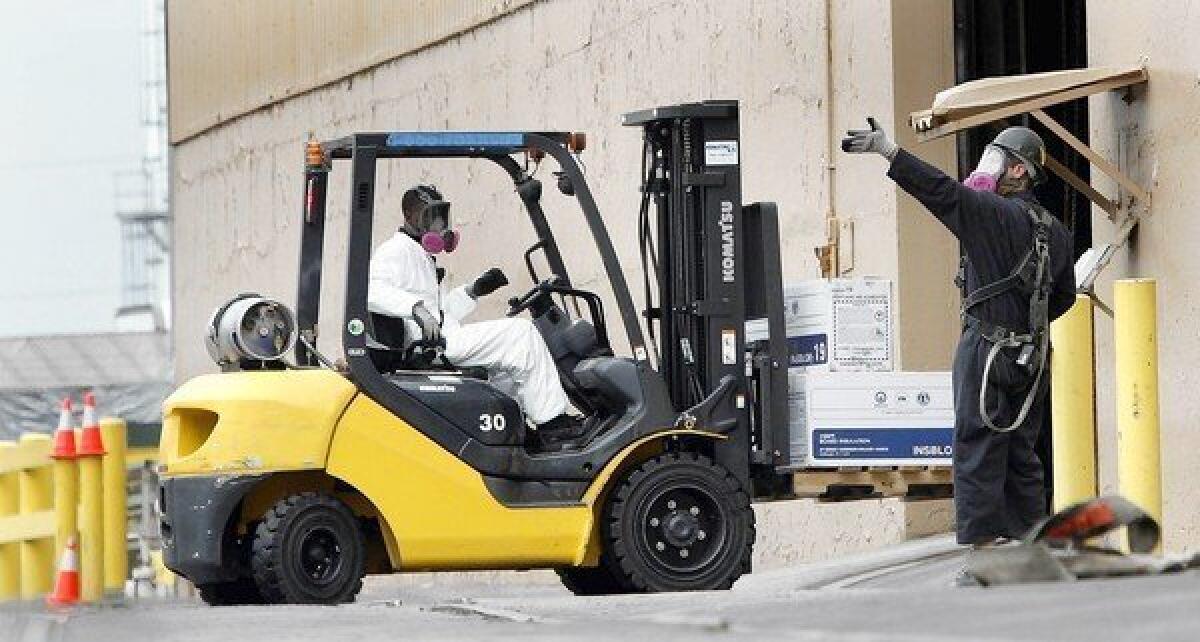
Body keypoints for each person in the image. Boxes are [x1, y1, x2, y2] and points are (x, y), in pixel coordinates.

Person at [841, 119, 1076, 554]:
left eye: (997, 160)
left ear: (1018, 170)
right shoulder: (1056, 232)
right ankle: (1030, 539)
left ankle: (982, 544)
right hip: (1033, 356)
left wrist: (890, 152)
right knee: (1022, 448)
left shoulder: (992, 215)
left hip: (986, 350)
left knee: (976, 441)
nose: (988, 168)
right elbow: (1065, 297)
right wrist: (1024, 323)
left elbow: (941, 192)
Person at [367, 184, 584, 450]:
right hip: (432, 345)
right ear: (411, 217)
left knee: (508, 370)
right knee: (521, 334)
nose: (438, 225)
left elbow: (441, 312)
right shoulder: (395, 251)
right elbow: (372, 291)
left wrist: (473, 291)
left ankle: (523, 434)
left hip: (441, 336)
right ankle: (553, 424)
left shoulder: (421, 255)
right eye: (430, 217)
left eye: (441, 216)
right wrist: (415, 308)